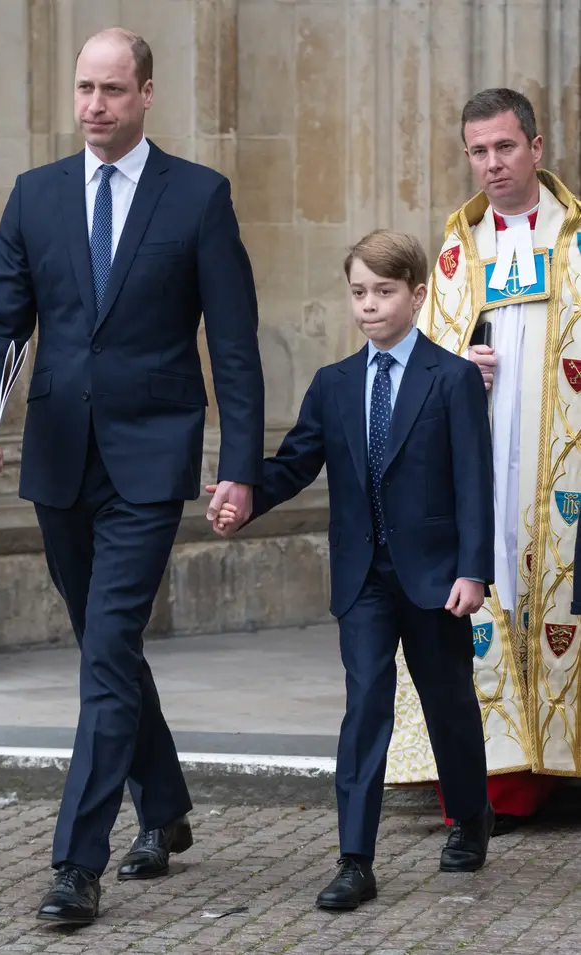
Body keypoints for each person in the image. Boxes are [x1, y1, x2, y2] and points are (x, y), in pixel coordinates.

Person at [0, 28, 264, 924]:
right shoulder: (35, 194)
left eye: (113, 91)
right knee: (111, 644)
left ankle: (75, 863)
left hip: (148, 459)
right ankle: (164, 807)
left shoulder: (200, 198)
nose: (95, 106)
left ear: (147, 95)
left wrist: (237, 468)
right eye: (85, 89)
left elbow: (235, 350)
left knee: (102, 649)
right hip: (57, 457)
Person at [209, 230, 495, 910]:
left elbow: (473, 482)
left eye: (384, 291)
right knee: (365, 705)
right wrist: (244, 495)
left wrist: (473, 570)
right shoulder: (334, 384)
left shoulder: (450, 378)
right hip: (362, 575)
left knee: (447, 703)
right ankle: (355, 859)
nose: (369, 305)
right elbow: (296, 461)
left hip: (433, 576)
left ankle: (471, 814)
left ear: (417, 294)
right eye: (359, 292)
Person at [388, 88, 581, 834]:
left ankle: (559, 765)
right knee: (487, 593)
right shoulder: (452, 256)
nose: (492, 164)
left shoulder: (575, 241)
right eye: (478, 151)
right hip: (483, 466)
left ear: (536, 147)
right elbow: (410, 365)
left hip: (563, 470)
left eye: (505, 147)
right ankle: (496, 779)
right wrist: (454, 370)